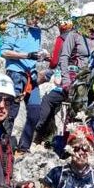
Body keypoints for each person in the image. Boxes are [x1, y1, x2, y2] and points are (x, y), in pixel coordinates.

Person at [1, 0, 49, 156]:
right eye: (34, 16)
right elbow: (5, 52)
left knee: (35, 112)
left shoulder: (37, 30)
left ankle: (23, 147)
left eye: (39, 17)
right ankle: (3, 148)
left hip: (31, 75)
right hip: (16, 73)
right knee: (10, 113)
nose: (35, 20)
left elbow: (33, 52)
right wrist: (27, 55)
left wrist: (42, 56)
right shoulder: (16, 26)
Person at [34, 11, 80, 145]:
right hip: (77, 76)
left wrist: (49, 58)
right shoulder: (84, 38)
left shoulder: (62, 38)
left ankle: (38, 130)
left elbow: (54, 63)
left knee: (46, 95)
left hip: (64, 76)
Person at [58, 1, 94, 114]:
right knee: (76, 112)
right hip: (76, 78)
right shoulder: (74, 35)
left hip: (91, 79)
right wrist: (66, 81)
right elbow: (64, 57)